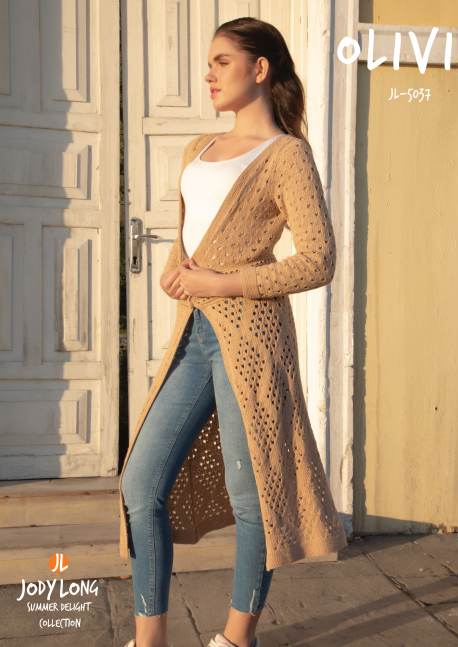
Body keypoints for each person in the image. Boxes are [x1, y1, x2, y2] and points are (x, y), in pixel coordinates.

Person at [120, 15, 346, 647]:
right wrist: (178, 271)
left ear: (260, 68)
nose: (209, 74)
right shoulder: (198, 148)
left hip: (252, 342)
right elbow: (192, 235)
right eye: (210, 63)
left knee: (253, 496)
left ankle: (236, 637)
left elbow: (318, 259)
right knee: (140, 483)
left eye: (222, 61)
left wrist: (223, 283)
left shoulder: (287, 155)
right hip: (192, 337)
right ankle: (149, 639)